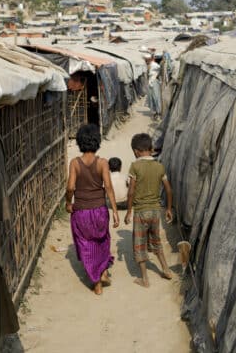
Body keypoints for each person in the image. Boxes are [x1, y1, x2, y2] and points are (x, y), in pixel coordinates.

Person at [66, 124, 120, 295]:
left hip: (81, 211)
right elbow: (109, 187)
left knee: (86, 245)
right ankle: (103, 271)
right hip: (99, 210)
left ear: (80, 142)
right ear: (97, 142)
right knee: (103, 240)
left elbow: (70, 187)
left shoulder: (75, 163)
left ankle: (96, 282)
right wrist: (116, 212)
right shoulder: (102, 163)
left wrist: (69, 203)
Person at [124, 133, 173, 287]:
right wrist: (169, 209)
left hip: (140, 211)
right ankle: (166, 269)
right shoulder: (159, 166)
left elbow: (131, 191)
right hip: (155, 211)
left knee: (139, 244)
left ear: (136, 151)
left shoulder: (135, 166)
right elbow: (168, 189)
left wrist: (129, 211)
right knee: (156, 240)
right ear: (150, 149)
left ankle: (145, 279)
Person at [144, 53, 162, 120]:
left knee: (156, 97)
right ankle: (155, 112)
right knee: (152, 97)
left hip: (154, 82)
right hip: (151, 82)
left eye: (147, 60)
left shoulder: (155, 65)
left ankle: (158, 112)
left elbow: (160, 69)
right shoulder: (149, 65)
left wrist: (156, 76)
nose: (146, 61)